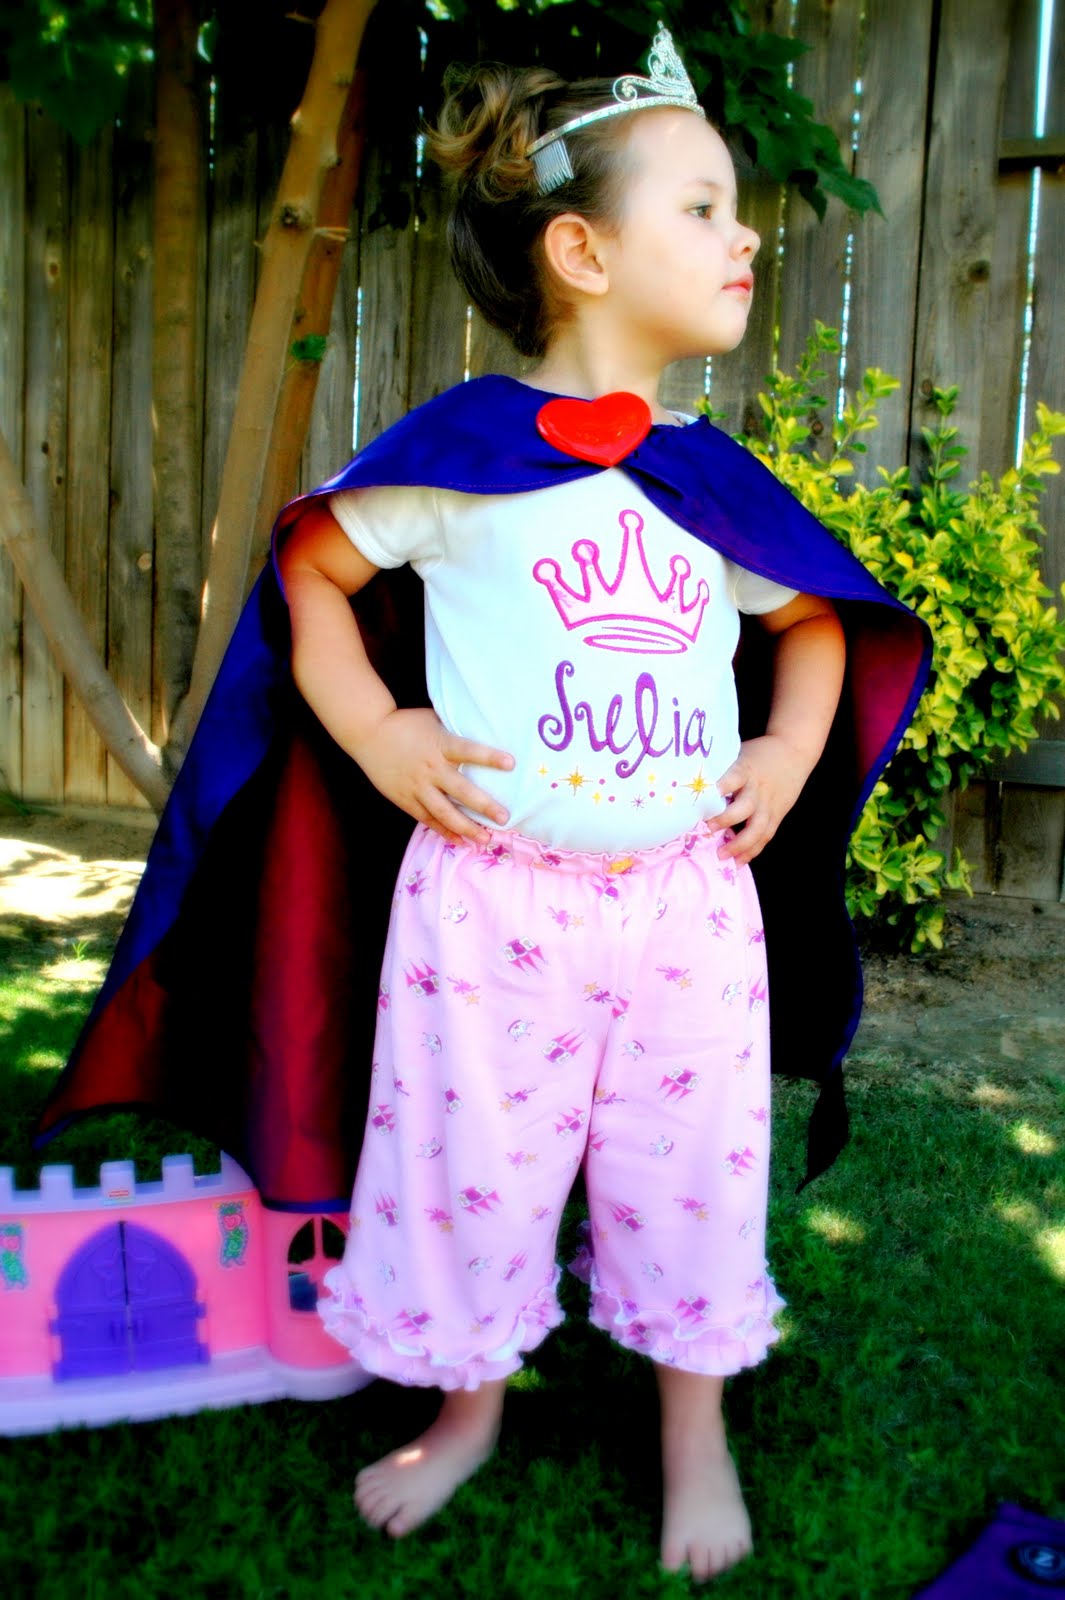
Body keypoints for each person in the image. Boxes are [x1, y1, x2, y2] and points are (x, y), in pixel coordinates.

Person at [276, 27, 845, 1583]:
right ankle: (465, 1410)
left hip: (685, 908)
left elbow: (815, 622)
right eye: (704, 208)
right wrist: (376, 728)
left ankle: (693, 1432)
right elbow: (312, 574)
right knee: (473, 1167)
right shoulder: (455, 463)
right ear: (581, 252)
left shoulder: (707, 479)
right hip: (490, 908)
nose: (743, 237)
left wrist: (788, 751)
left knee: (691, 1170)